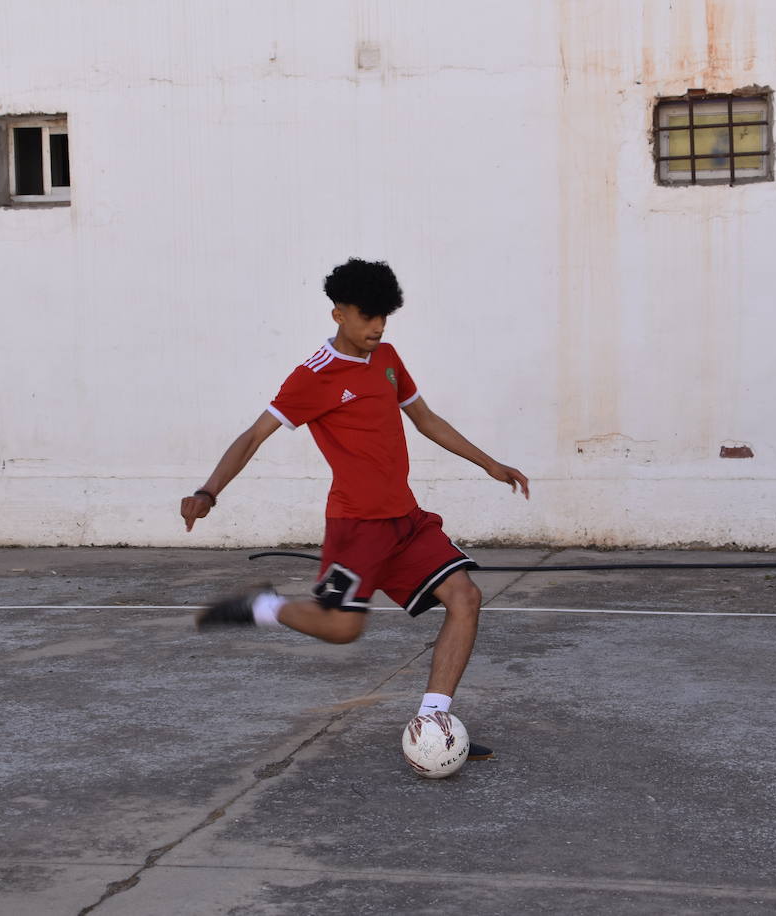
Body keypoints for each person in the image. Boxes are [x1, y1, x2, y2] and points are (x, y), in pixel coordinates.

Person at [182, 258, 529, 759]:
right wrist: (208, 491)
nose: (378, 326)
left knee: (465, 597)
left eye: (384, 316)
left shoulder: (388, 357)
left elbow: (425, 419)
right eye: (368, 316)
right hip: (356, 528)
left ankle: (432, 722)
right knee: (343, 630)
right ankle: (266, 606)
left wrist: (489, 464)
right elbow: (254, 434)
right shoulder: (313, 377)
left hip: (406, 521)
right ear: (338, 314)